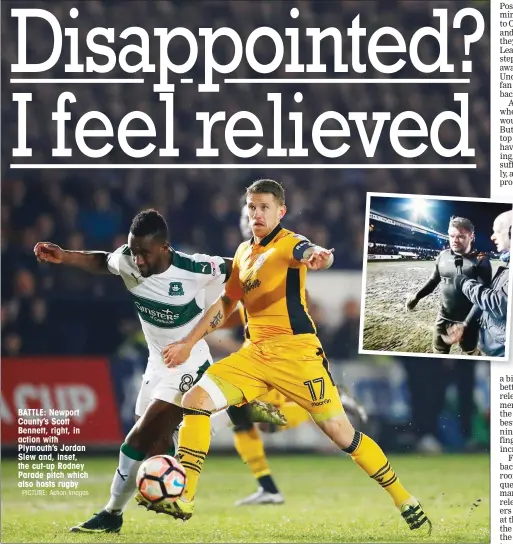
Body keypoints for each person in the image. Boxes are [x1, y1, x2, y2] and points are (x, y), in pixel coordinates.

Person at [158, 179, 431, 534]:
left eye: (265, 208)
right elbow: (226, 304)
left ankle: (403, 498)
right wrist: (187, 341)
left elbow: (311, 250)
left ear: (280, 211)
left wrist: (323, 256)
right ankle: (185, 497)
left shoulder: (289, 244)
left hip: (297, 354)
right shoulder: (243, 253)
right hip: (254, 353)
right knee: (195, 398)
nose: (257, 214)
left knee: (340, 433)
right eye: (252, 207)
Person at [33, 209, 285, 534]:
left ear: (164, 248)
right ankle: (236, 412)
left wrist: (276, 271)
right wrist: (65, 256)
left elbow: (240, 267)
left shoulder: (194, 268)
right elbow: (103, 261)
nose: (137, 260)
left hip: (190, 360)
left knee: (139, 436)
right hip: (157, 361)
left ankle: (111, 514)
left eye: (144, 253)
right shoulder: (127, 259)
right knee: (159, 445)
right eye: (134, 251)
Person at [215, 202, 367, 506]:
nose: (253, 225)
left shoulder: (281, 265)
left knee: (259, 421)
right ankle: (268, 487)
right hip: (255, 354)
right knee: (248, 419)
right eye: (249, 219)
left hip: (280, 355)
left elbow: (300, 306)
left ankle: (334, 404)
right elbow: (233, 309)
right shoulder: (245, 266)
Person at [405, 216, 492, 355]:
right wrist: (416, 297)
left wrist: (465, 324)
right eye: (452, 236)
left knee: (471, 353)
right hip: (443, 318)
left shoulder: (481, 261)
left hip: (469, 321)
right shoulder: (443, 256)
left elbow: (483, 298)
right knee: (439, 353)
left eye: (460, 237)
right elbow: (433, 281)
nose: (455, 240)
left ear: (471, 236)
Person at [444, 210, 512, 357]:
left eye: (498, 231)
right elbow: (489, 298)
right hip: (491, 343)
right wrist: (465, 324)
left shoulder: (483, 261)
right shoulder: (508, 265)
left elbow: (499, 303)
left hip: (500, 352)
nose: (492, 237)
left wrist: (465, 283)